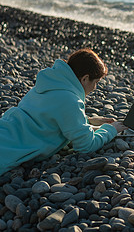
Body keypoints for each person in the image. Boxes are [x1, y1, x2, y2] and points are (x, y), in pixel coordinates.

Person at [0, 48, 126, 176]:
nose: (95, 88)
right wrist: (111, 129)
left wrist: (87, 121)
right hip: (9, 148)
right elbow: (87, 145)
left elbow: (46, 117)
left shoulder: (50, 83)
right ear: (85, 79)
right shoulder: (70, 100)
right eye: (96, 82)